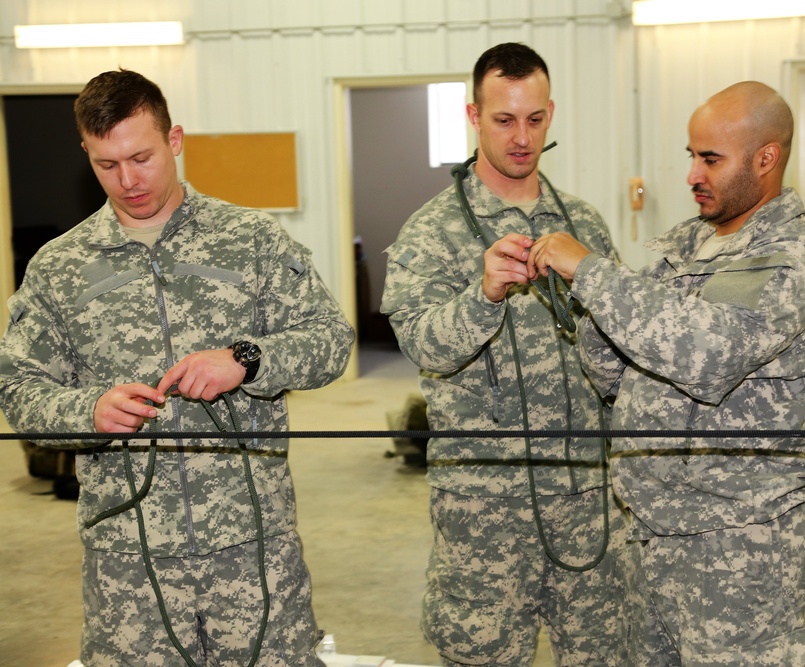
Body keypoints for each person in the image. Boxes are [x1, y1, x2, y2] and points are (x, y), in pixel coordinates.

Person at [0, 69, 354, 666]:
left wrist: (248, 359)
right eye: (106, 164)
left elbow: (331, 340)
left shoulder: (251, 240)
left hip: (251, 545)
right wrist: (85, 410)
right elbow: (18, 388)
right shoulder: (57, 268)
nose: (128, 180)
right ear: (86, 153)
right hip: (127, 557)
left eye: (141, 157)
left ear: (176, 140)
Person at [527, 81, 805, 666]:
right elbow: (616, 377)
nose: (693, 173)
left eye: (711, 159)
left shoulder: (787, 257)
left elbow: (708, 355)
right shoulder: (687, 246)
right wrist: (577, 294)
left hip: (738, 537)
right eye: (691, 156)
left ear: (766, 158)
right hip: (651, 524)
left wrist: (592, 273)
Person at [380, 43, 627, 667]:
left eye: (535, 119)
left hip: (587, 500)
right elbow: (422, 346)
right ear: (473, 114)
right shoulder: (432, 232)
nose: (522, 137)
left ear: (551, 114)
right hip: (485, 513)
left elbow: (624, 352)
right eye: (504, 120)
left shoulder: (585, 226)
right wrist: (482, 296)